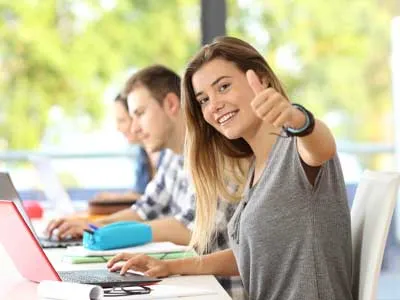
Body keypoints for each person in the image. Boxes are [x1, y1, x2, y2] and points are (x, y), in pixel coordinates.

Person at [107, 37, 353, 300]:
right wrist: (169, 266)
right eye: (203, 100)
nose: (213, 106)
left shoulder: (296, 147)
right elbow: (247, 256)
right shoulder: (255, 169)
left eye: (223, 87)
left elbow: (322, 146)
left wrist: (297, 118)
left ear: (262, 80)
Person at [45, 65, 245, 299]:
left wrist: (107, 231)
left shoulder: (216, 153)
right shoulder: (171, 154)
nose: (134, 128)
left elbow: (193, 229)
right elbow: (145, 208)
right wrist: (93, 226)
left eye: (139, 114)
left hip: (219, 290)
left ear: (171, 104)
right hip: (193, 282)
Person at [92, 93, 163, 204]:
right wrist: (115, 198)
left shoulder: (169, 152)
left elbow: (162, 200)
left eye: (122, 120)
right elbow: (141, 194)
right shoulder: (143, 153)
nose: (118, 128)